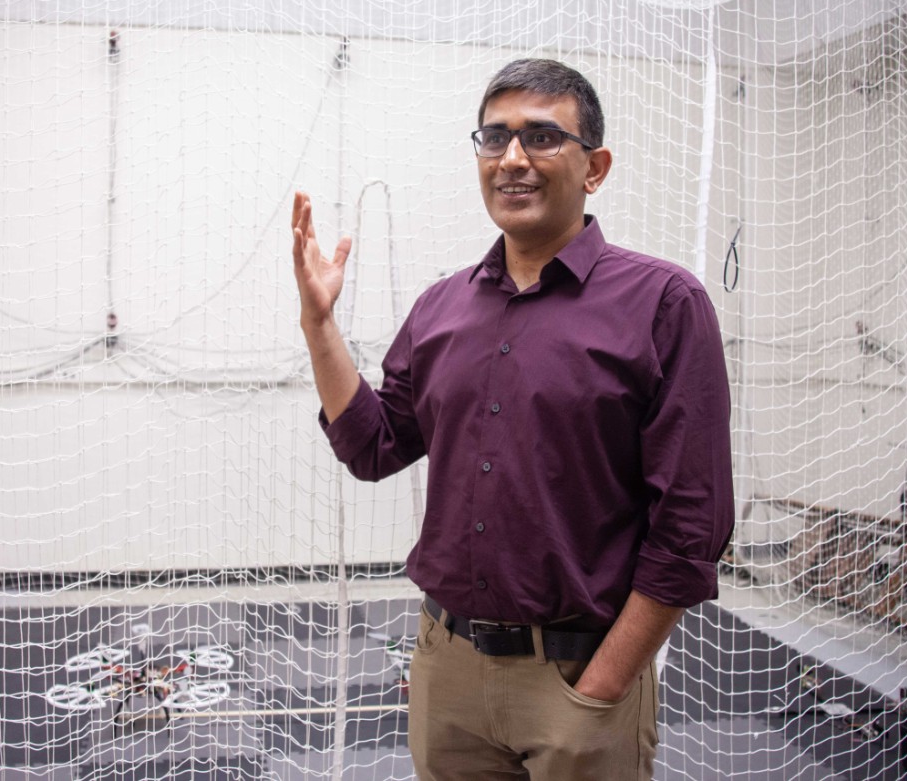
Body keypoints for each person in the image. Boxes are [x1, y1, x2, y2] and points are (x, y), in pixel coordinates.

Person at [291, 58, 734, 780]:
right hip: (448, 675)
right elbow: (372, 445)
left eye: (542, 137)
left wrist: (603, 686)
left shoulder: (664, 304)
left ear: (595, 167)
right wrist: (319, 322)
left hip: (580, 677)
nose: (513, 159)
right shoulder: (442, 307)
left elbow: (691, 527)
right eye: (494, 138)